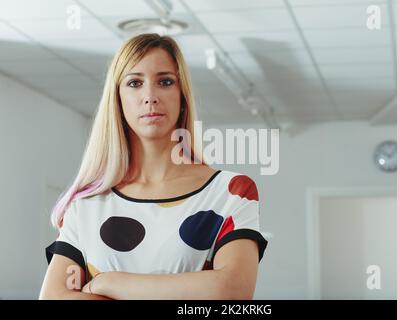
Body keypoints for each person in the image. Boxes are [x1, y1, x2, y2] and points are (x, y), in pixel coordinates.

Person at [39, 33, 268, 300]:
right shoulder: (86, 205)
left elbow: (232, 292)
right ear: (118, 99)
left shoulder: (231, 192)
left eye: (165, 82)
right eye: (135, 83)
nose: (150, 95)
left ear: (182, 96)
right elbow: (54, 297)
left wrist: (109, 283)